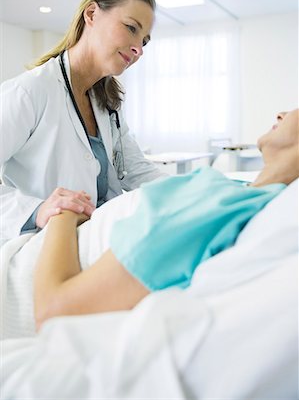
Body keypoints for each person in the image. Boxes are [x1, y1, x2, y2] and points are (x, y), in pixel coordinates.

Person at [33, 109, 299, 330]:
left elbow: (55, 310)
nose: (281, 113)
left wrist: (64, 213)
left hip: (33, 270)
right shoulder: (233, 195)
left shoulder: (223, 205)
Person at [0, 0, 166, 246]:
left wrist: (192, 190)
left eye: (144, 41)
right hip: (42, 247)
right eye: (131, 28)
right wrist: (38, 210)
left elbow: (138, 171)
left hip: (95, 240)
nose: (138, 49)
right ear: (91, 14)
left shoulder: (107, 102)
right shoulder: (30, 90)